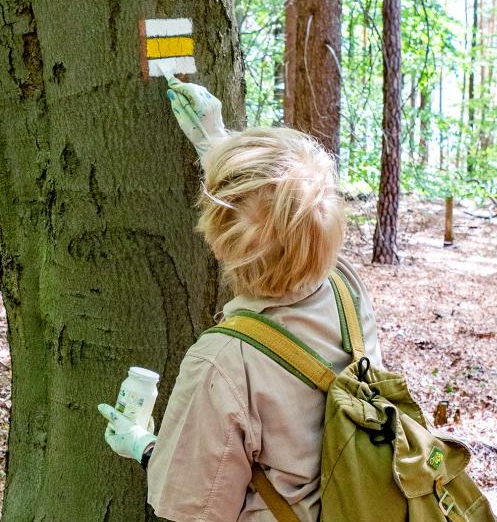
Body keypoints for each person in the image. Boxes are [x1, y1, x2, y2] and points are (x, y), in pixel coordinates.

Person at [97, 76, 383, 521]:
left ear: (219, 240)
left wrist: (142, 444)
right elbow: (291, 225)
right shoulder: (346, 287)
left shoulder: (222, 362)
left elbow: (195, 508)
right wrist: (217, 143)